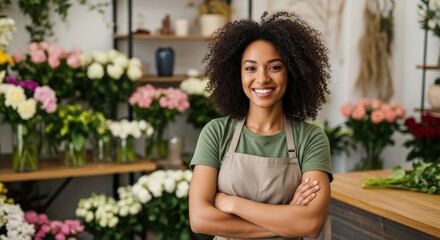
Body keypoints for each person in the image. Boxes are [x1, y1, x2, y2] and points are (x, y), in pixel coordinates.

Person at [189, 11, 332, 240]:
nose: (262, 78)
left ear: (292, 72)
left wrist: (230, 202)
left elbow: (311, 223)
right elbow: (200, 219)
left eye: (275, 67)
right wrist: (288, 220)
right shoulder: (216, 133)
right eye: (251, 68)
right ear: (238, 75)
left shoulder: (311, 138)